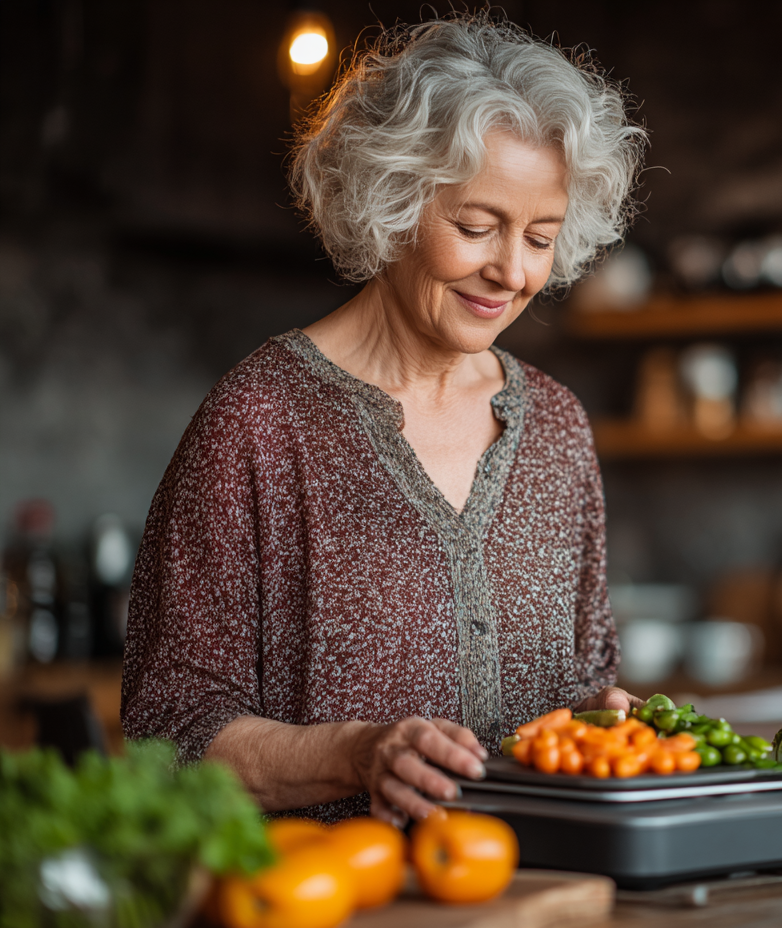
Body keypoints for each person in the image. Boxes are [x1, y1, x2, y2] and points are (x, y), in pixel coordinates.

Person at [121, 16, 647, 826]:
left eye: (540, 238)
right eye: (476, 227)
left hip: (547, 898)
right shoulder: (260, 422)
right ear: (394, 197)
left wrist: (604, 721)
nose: (510, 271)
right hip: (337, 898)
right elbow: (171, 732)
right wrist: (358, 755)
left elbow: (582, 683)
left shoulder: (556, 428)